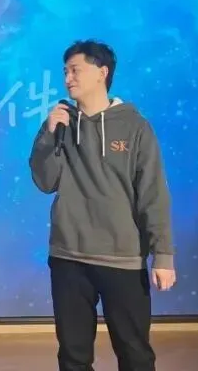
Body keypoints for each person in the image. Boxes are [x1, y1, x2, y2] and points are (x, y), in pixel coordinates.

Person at [28, 40, 176, 371]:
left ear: (102, 72)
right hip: (68, 257)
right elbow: (45, 182)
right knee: (73, 356)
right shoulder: (59, 123)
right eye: (65, 71)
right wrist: (48, 135)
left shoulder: (135, 126)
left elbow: (153, 194)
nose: (67, 78)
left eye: (75, 70)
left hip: (122, 258)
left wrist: (163, 255)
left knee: (135, 353)